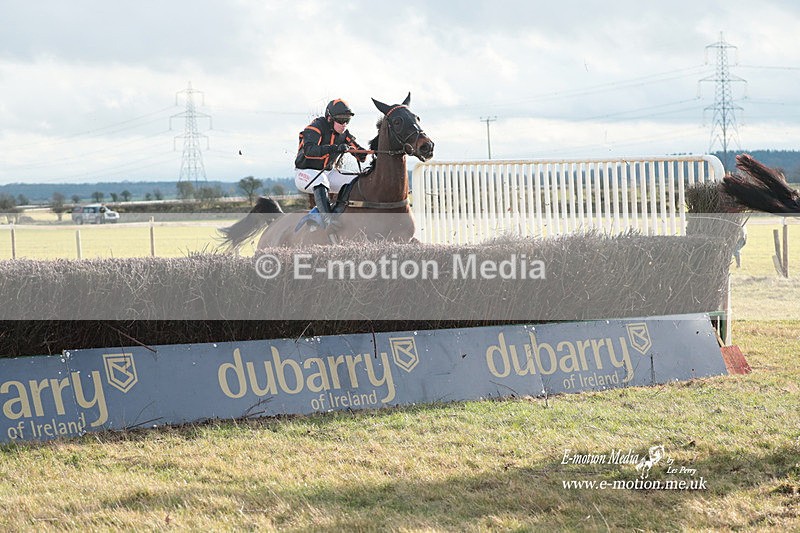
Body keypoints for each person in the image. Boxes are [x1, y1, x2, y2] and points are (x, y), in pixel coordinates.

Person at [294, 99, 367, 227]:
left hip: (328, 173)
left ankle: (338, 211)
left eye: (347, 120)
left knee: (356, 180)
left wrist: (362, 153)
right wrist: (335, 148)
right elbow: (309, 151)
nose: (344, 124)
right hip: (304, 173)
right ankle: (328, 220)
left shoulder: (345, 134)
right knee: (321, 180)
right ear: (329, 118)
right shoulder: (315, 127)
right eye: (340, 120)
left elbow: (360, 154)